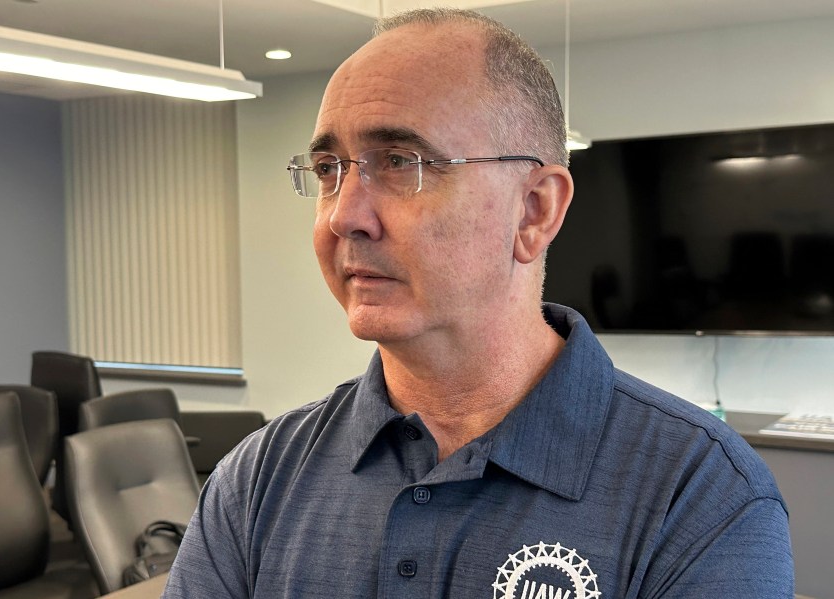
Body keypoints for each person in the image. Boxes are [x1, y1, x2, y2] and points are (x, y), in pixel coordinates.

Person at [163, 8, 793, 598]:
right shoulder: (257, 479)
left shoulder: (701, 495)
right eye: (330, 169)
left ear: (534, 210)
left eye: (400, 161)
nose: (344, 216)